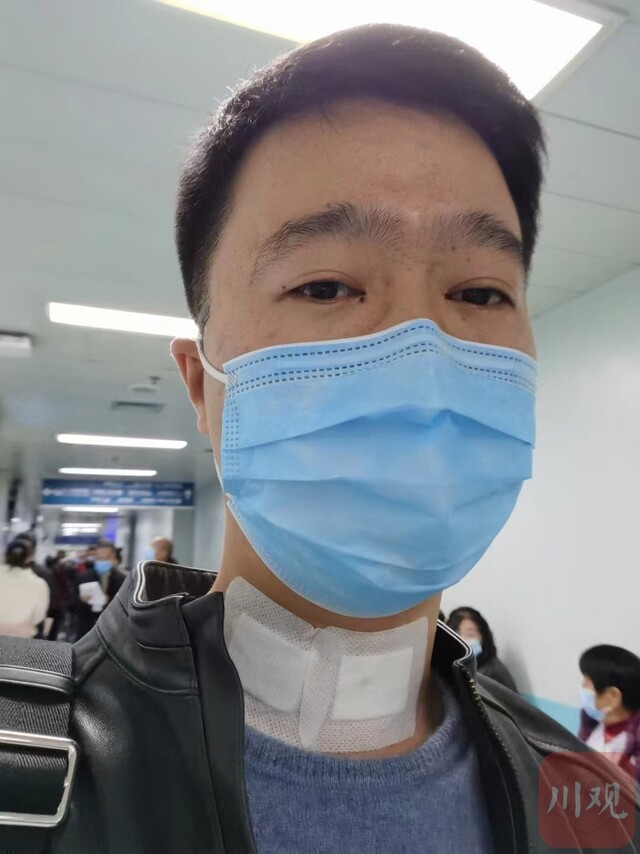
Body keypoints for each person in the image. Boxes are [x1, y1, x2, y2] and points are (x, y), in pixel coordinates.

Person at [1, 24, 637, 853]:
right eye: (327, 285)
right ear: (201, 386)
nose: (421, 360)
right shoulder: (27, 771)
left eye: (481, 294)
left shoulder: (595, 812)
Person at [579, 645, 640, 784]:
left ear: (612, 696)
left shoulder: (632, 742)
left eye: (586, 683)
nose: (582, 688)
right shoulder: (592, 725)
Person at [447, 606, 518, 692]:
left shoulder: (490, 673)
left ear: (483, 635)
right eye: (457, 634)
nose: (462, 639)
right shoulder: (464, 668)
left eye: (470, 634)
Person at [70, 539, 128, 639]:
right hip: (86, 630)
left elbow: (126, 606)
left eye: (107, 558)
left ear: (113, 557)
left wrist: (109, 601)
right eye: (100, 558)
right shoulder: (83, 578)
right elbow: (71, 605)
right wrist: (81, 599)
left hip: (112, 631)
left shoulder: (122, 579)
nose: (103, 561)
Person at [0, 538, 50, 637]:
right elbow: (38, 616)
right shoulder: (39, 584)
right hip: (22, 637)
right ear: (29, 558)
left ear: (5, 555)